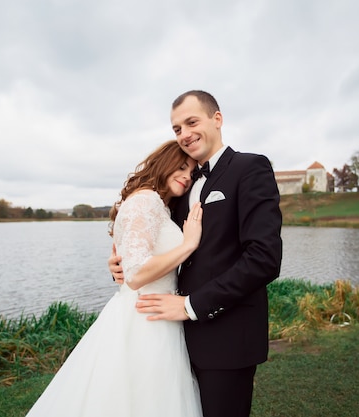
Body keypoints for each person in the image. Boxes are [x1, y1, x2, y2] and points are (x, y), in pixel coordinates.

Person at [110, 90, 283, 417]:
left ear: (217, 119)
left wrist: (191, 305)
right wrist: (120, 263)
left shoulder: (250, 168)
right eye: (176, 129)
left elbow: (264, 258)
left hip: (227, 339)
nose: (184, 134)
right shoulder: (182, 183)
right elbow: (151, 237)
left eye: (191, 122)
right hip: (171, 340)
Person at [26, 140, 204, 417]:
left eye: (192, 172)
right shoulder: (146, 201)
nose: (186, 175)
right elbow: (134, 274)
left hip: (157, 314)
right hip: (143, 321)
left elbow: (131, 261)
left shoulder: (159, 205)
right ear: (163, 165)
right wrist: (188, 245)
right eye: (181, 167)